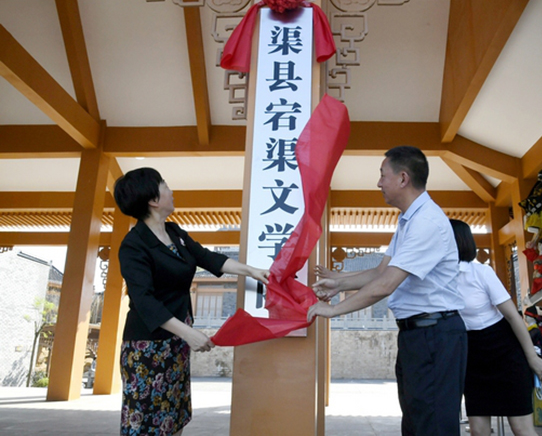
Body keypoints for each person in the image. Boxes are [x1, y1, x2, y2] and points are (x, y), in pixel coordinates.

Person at [307, 145, 467, 436]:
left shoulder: (427, 221)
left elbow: (387, 284)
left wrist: (333, 310)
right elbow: (381, 271)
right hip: (417, 335)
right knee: (416, 420)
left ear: (403, 178)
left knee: (432, 425)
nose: (379, 183)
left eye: (383, 175)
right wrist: (339, 282)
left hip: (434, 334)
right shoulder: (408, 220)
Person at [114, 167, 269, 436]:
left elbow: (208, 258)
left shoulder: (175, 233)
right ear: (153, 200)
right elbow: (144, 301)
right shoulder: (134, 245)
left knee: (173, 417)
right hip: (148, 349)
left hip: (176, 343)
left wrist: (252, 271)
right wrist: (190, 334)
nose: (170, 190)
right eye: (164, 185)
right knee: (146, 423)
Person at [449, 219, 542, 436]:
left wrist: (531, 357)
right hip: (472, 356)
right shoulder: (438, 278)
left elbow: (512, 316)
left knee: (521, 429)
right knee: (478, 430)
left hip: (505, 351)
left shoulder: (481, 273)